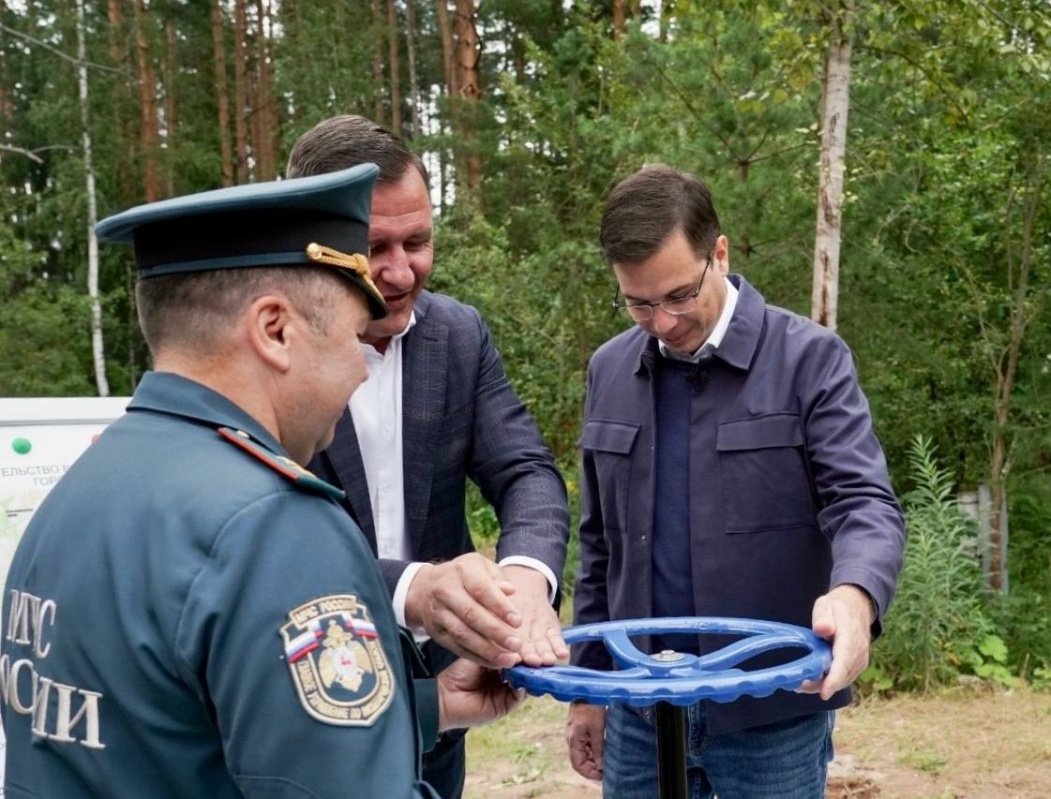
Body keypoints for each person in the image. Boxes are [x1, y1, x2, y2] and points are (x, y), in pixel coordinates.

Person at [0, 164, 522, 798]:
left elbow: (171, 729)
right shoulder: (274, 528)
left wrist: (429, 704)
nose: (362, 372)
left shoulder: (81, 490)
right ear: (275, 329)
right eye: (354, 338)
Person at [566, 164, 906, 799]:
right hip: (640, 714)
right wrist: (588, 691)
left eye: (678, 296)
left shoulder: (810, 360)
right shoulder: (608, 371)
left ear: (718, 253)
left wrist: (857, 595)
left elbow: (863, 502)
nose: (662, 322)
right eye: (638, 302)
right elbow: (599, 547)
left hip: (770, 714)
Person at [285, 115, 570, 798]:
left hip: (443, 692)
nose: (401, 268)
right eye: (374, 246)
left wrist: (528, 577)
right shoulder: (273, 350)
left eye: (418, 241)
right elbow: (277, 535)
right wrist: (416, 589)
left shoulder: (459, 335)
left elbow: (525, 471)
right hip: (304, 692)